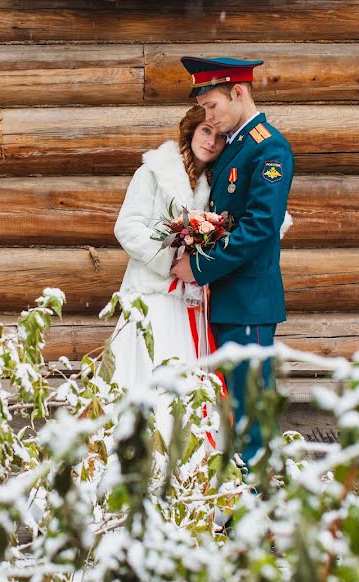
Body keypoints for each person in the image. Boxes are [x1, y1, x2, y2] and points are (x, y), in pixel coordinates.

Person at [171, 56, 294, 466]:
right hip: (227, 303)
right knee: (234, 411)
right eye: (204, 109)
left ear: (238, 92)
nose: (208, 116)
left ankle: (262, 511)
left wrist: (198, 268)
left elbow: (259, 228)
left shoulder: (269, 147)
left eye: (212, 106)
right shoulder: (238, 146)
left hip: (249, 303)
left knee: (252, 415)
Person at [110, 104, 225, 448]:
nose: (211, 141)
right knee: (148, 374)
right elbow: (127, 227)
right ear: (191, 131)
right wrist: (172, 258)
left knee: (184, 381)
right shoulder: (155, 171)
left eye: (220, 136)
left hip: (188, 298)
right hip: (152, 295)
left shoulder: (215, 182)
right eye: (206, 131)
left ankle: (185, 461)